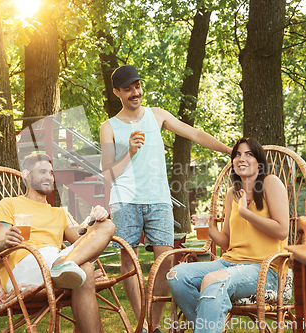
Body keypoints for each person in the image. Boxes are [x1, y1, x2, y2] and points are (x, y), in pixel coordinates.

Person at [99, 65, 232, 333]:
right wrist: (130, 153)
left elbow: (194, 134)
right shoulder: (108, 127)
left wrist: (232, 150)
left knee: (167, 261)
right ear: (117, 93)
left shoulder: (156, 115)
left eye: (137, 86)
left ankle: (154, 323)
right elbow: (109, 172)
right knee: (129, 262)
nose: (135, 92)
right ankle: (142, 326)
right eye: (128, 89)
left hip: (159, 199)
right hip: (125, 200)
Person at [166, 137, 289, 332]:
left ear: (259, 162)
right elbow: (227, 242)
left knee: (213, 280)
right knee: (176, 275)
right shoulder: (233, 193)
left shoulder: (270, 183)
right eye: (237, 154)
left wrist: (246, 213)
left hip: (265, 268)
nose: (241, 158)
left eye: (249, 154)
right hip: (229, 262)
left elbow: (282, 231)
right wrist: (209, 228)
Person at [0, 153, 115, 333]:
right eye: (42, 172)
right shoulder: (9, 204)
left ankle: (63, 265)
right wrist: (5, 243)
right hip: (22, 266)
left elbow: (82, 239)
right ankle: (63, 265)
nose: (49, 176)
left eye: (51, 173)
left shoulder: (59, 213)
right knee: (84, 268)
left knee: (107, 226)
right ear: (26, 174)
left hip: (56, 261)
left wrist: (94, 220)